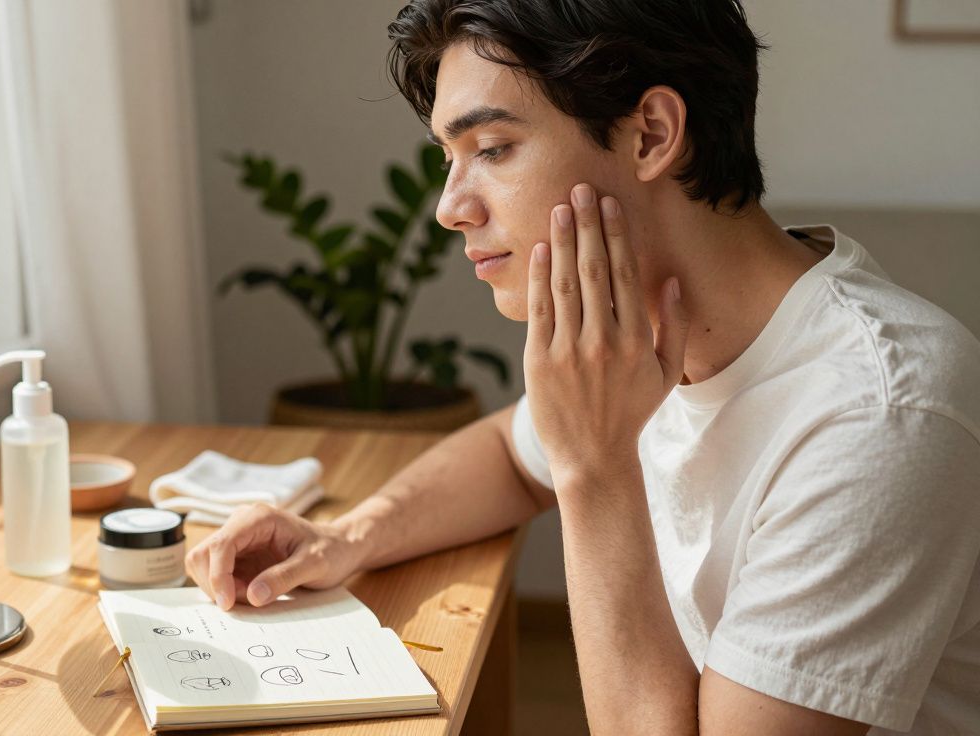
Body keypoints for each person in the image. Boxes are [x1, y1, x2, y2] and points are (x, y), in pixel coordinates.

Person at [186, 1, 980, 733]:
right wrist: (345, 536)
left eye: (492, 148)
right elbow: (508, 453)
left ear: (650, 135)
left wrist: (595, 470)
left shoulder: (882, 412)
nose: (449, 207)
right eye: (449, 159)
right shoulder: (643, 328)